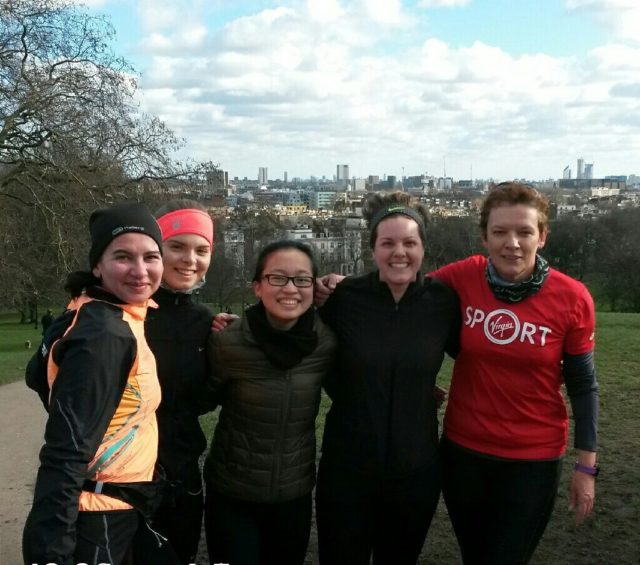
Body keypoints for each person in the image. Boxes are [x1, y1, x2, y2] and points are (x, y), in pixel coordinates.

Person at [431, 182, 599, 564]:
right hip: (463, 452)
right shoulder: (463, 277)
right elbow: (405, 300)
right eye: (500, 232)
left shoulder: (572, 297)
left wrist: (586, 465)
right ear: (484, 237)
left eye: (524, 232)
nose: (513, 243)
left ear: (542, 236)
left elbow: (584, 386)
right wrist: (337, 286)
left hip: (532, 458)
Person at [22, 202, 178, 564]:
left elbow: (37, 374)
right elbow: (65, 450)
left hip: (118, 505)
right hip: (98, 518)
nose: (140, 271)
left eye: (151, 257)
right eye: (123, 257)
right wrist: (50, 552)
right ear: (97, 265)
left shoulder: (95, 309)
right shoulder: (105, 335)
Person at [314, 192, 460, 565]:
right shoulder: (342, 298)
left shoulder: (443, 303)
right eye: (388, 243)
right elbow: (291, 329)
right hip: (347, 470)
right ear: (373, 249)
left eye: (410, 242)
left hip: (416, 471)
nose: (399, 252)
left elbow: (480, 355)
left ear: (423, 248)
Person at [204, 240, 337, 565]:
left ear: (314, 287)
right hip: (233, 494)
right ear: (257, 287)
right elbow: (198, 398)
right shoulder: (228, 342)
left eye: (302, 279)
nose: (290, 288)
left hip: (293, 495)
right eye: (277, 278)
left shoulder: (327, 343)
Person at [145, 199, 215, 563]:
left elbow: (205, 396)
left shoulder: (205, 321)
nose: (190, 259)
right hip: (126, 478)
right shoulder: (123, 310)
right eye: (177, 247)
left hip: (183, 475)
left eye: (201, 249)